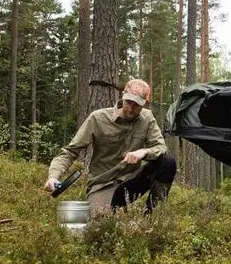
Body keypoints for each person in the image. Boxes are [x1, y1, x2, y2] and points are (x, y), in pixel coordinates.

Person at [44, 78, 176, 216]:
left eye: (136, 105)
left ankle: (152, 218)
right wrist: (53, 176)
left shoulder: (147, 118)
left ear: (144, 104)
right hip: (103, 183)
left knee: (167, 163)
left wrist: (144, 151)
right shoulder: (98, 118)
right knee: (101, 222)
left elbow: (160, 147)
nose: (131, 108)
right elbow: (69, 152)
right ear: (123, 96)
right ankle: (107, 209)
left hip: (131, 180)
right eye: (128, 102)